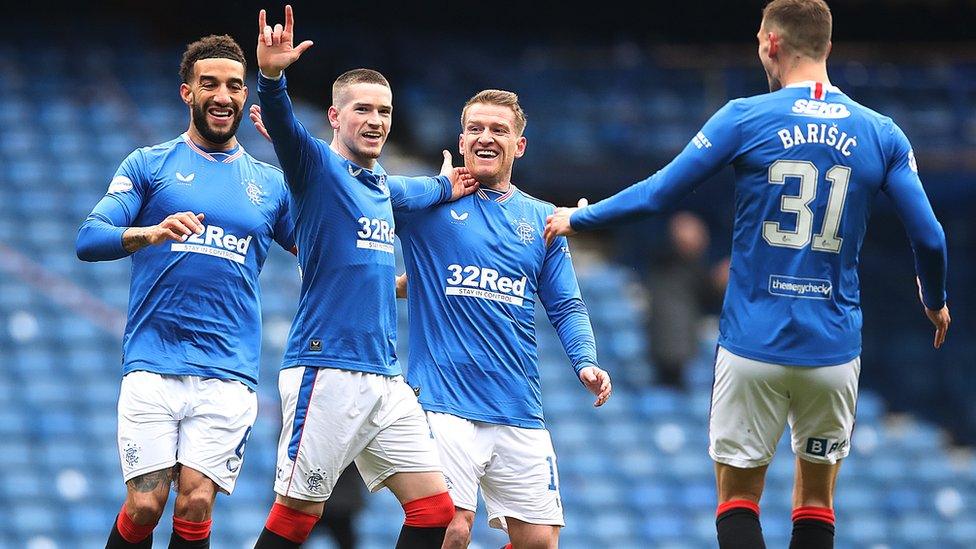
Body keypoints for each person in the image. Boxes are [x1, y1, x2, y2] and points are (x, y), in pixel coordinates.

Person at [544, 1, 950, 547]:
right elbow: (930, 237)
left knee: (737, 502)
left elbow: (661, 192)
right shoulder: (882, 133)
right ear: (827, 46)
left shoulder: (745, 116)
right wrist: (935, 297)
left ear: (771, 44)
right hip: (831, 349)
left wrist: (581, 216)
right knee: (815, 504)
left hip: (752, 344)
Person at [252, 88, 612, 549]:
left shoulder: (542, 221)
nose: (486, 138)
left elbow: (565, 304)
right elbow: (356, 202)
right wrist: (297, 145)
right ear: (461, 141)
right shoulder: (429, 206)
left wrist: (585, 359)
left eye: (498, 130)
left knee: (540, 542)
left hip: (518, 405)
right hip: (442, 402)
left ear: (519, 145)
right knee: (451, 526)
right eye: (475, 129)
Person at [252, 6, 478, 548]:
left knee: (436, 513)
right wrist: (271, 78)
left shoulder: (380, 185)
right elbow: (283, 126)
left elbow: (417, 191)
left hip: (383, 376)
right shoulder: (317, 169)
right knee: (296, 517)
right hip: (327, 368)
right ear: (334, 116)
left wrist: (446, 185)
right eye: (363, 110)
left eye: (385, 110)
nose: (376, 120)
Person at [75, 35, 295, 549]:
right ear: (186, 92)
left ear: (246, 96)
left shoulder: (270, 184)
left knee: (196, 502)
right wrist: (149, 233)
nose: (224, 96)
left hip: (228, 369)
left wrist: (389, 283)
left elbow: (320, 256)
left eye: (236, 86)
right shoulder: (148, 165)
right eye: (210, 84)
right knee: (145, 505)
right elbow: (89, 238)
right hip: (153, 360)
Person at [644, 211, 726, 390]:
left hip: (680, 342)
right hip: (668, 341)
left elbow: (705, 294)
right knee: (666, 390)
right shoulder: (666, 260)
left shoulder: (693, 266)